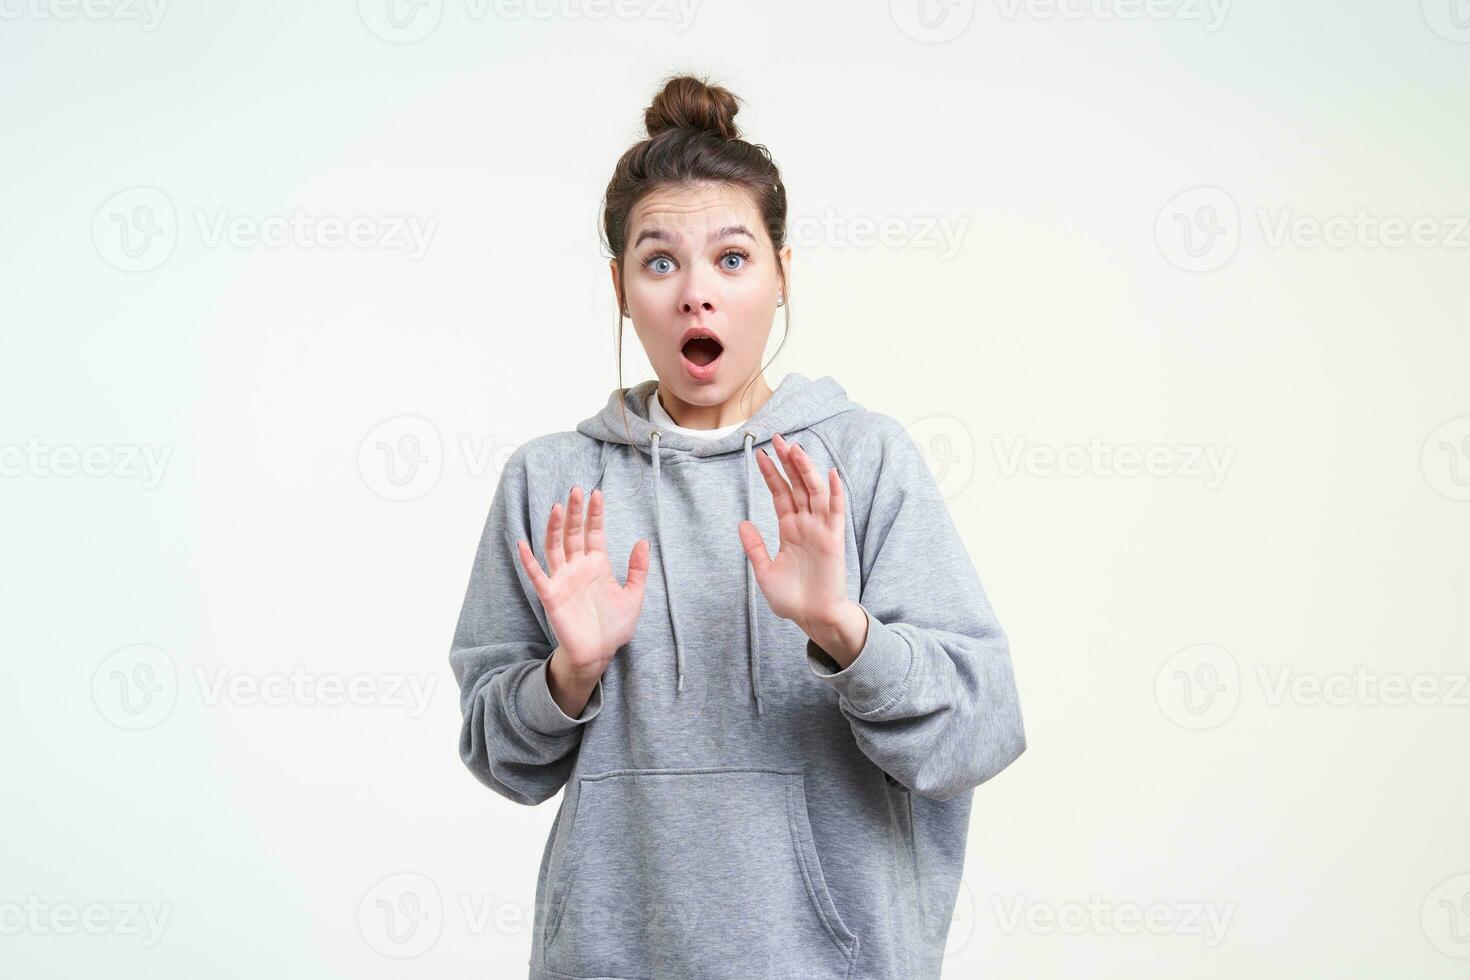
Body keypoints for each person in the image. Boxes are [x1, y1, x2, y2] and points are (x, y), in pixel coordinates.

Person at [449, 73, 1027, 980]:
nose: (696, 296)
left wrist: (844, 632)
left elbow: (980, 731)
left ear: (782, 274)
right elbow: (502, 758)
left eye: (731, 258)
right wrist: (571, 674)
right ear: (620, 286)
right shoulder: (553, 483)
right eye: (659, 260)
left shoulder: (863, 461)